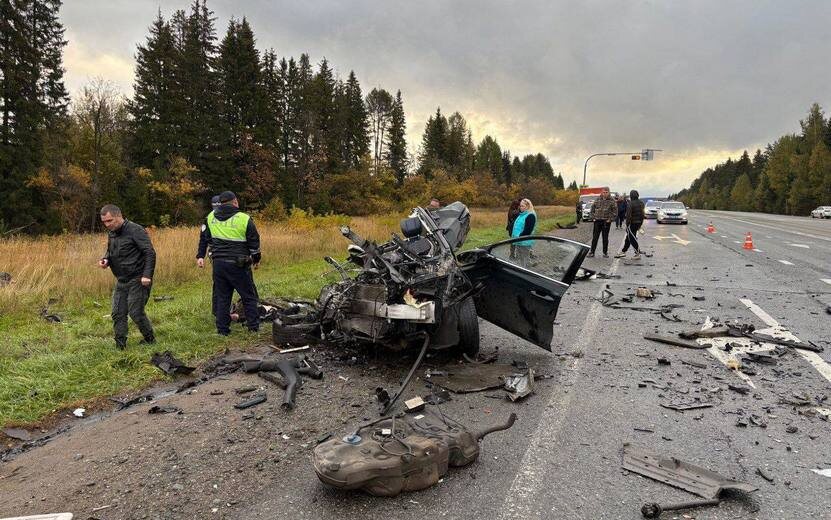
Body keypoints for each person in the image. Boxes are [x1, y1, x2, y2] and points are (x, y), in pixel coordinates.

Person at [196, 191, 261, 335]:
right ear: (235, 201)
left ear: (220, 203)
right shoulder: (244, 218)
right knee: (248, 296)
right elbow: (254, 242)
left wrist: (203, 254)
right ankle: (253, 327)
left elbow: (206, 238)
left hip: (218, 263)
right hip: (239, 264)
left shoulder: (210, 217)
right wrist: (256, 260)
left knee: (223, 297)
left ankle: (222, 329)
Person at [98, 204, 156, 350]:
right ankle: (120, 346)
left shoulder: (135, 230)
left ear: (119, 216)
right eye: (104, 222)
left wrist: (147, 275)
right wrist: (106, 260)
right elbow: (110, 251)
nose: (107, 225)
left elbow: (149, 252)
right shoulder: (112, 233)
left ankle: (150, 339)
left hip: (138, 278)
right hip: (121, 280)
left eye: (109, 221)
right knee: (117, 313)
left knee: (135, 312)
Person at [615, 190, 645, 259]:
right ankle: (623, 251)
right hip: (638, 223)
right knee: (628, 237)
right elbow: (643, 214)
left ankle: (637, 253)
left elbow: (628, 215)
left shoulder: (630, 204)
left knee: (631, 238)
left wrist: (627, 224)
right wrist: (640, 224)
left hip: (632, 223)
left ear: (631, 196)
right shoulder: (641, 203)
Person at [588, 188, 616, 258]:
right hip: (597, 221)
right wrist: (593, 218)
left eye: (606, 192)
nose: (605, 194)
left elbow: (615, 212)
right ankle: (592, 252)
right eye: (604, 192)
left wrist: (610, 219)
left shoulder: (612, 201)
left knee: (605, 238)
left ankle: (605, 252)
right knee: (595, 238)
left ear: (609, 192)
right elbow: (592, 209)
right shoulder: (598, 199)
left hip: (606, 222)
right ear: (602, 192)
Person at [511, 198, 536, 267]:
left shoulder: (530, 215)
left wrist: (519, 237)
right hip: (519, 241)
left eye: (522, 206)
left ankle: (525, 271)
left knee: (523, 261)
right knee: (520, 260)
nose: (520, 207)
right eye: (520, 206)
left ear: (528, 206)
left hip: (524, 242)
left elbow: (528, 231)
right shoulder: (522, 214)